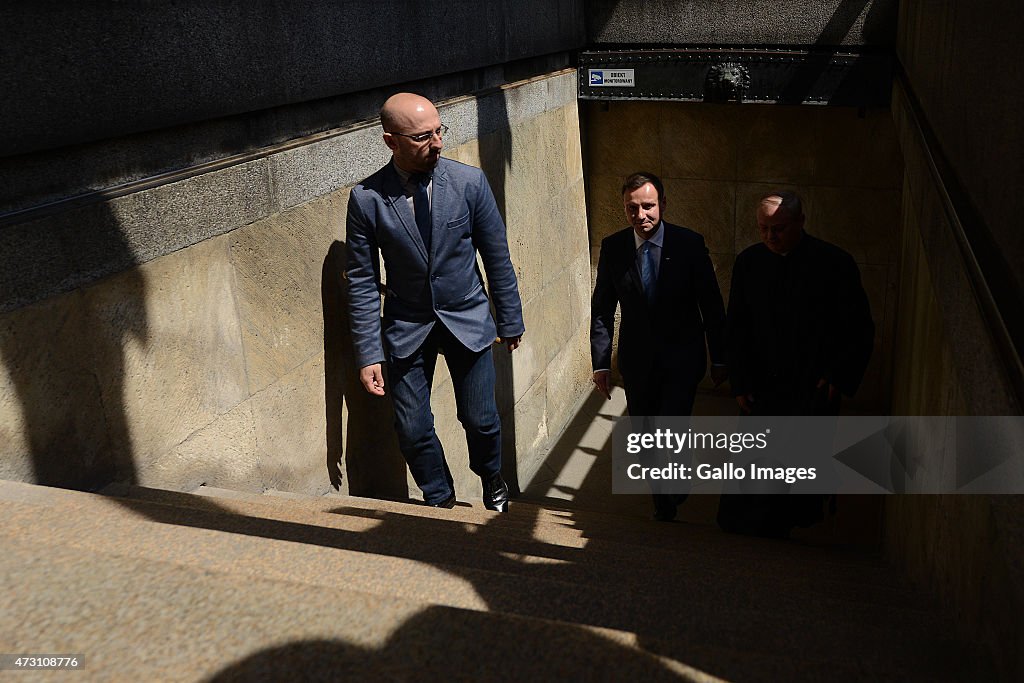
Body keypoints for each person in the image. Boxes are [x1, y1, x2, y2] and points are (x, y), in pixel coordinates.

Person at [345, 93, 524, 511]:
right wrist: (368, 353)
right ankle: (440, 498)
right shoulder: (367, 200)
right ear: (391, 141)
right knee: (411, 428)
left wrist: (510, 319)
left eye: (440, 131)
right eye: (423, 136)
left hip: (468, 317)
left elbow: (496, 256)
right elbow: (362, 281)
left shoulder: (469, 183)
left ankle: (491, 475)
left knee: (480, 421)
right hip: (407, 326)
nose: (438, 143)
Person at [718, 190, 874, 536]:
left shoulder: (835, 264)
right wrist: (740, 380)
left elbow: (858, 327)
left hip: (811, 383)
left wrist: (837, 374)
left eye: (779, 229)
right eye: (763, 229)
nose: (770, 237)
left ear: (801, 222)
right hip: (763, 384)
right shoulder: (749, 263)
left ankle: (787, 522)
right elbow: (738, 327)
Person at [591, 171, 727, 521]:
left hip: (683, 357)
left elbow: (711, 305)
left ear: (663, 205)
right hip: (638, 361)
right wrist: (601, 362)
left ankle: (671, 489)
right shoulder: (614, 247)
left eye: (648, 206)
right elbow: (603, 307)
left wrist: (721, 357)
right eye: (632, 208)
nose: (641, 216)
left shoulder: (689, 245)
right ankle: (661, 494)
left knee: (672, 425)